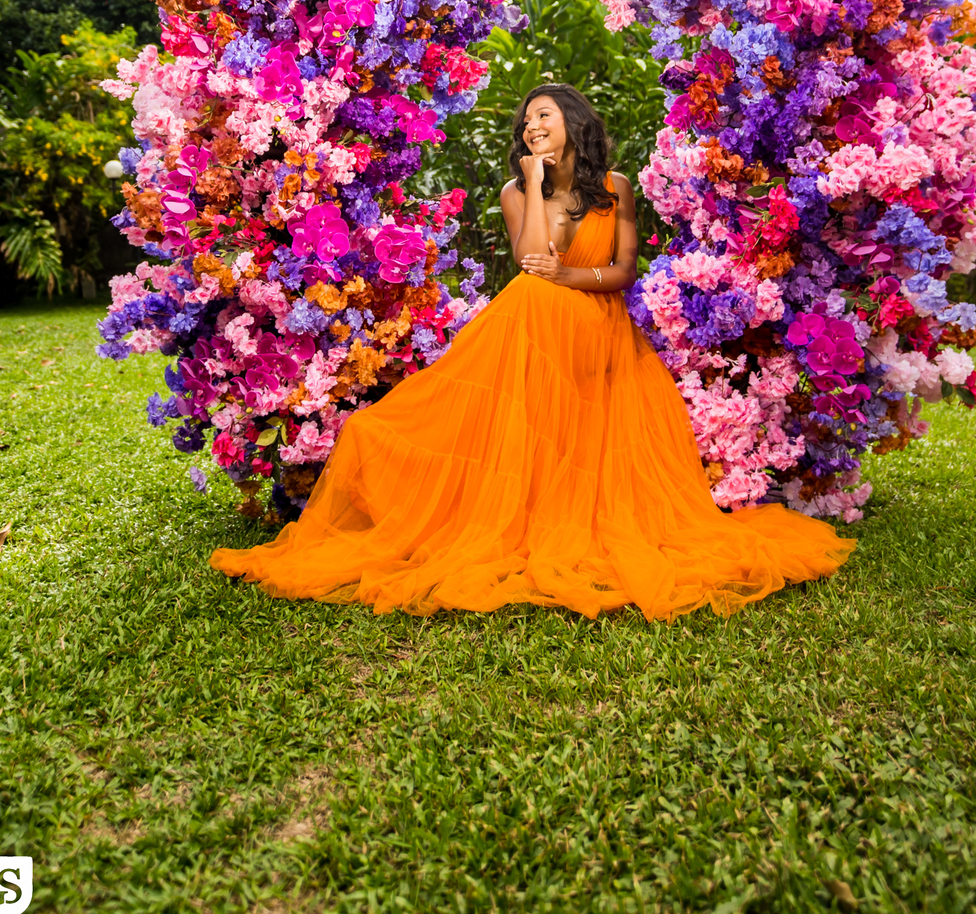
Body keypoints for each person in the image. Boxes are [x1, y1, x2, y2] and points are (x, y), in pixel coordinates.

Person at [210, 84, 855, 618]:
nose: (530, 125)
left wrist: (570, 278)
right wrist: (536, 182)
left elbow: (623, 270)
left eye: (542, 116)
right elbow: (529, 261)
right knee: (528, 296)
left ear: (572, 122)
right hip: (537, 323)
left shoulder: (616, 186)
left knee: (540, 296)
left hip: (599, 331)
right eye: (525, 122)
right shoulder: (517, 192)